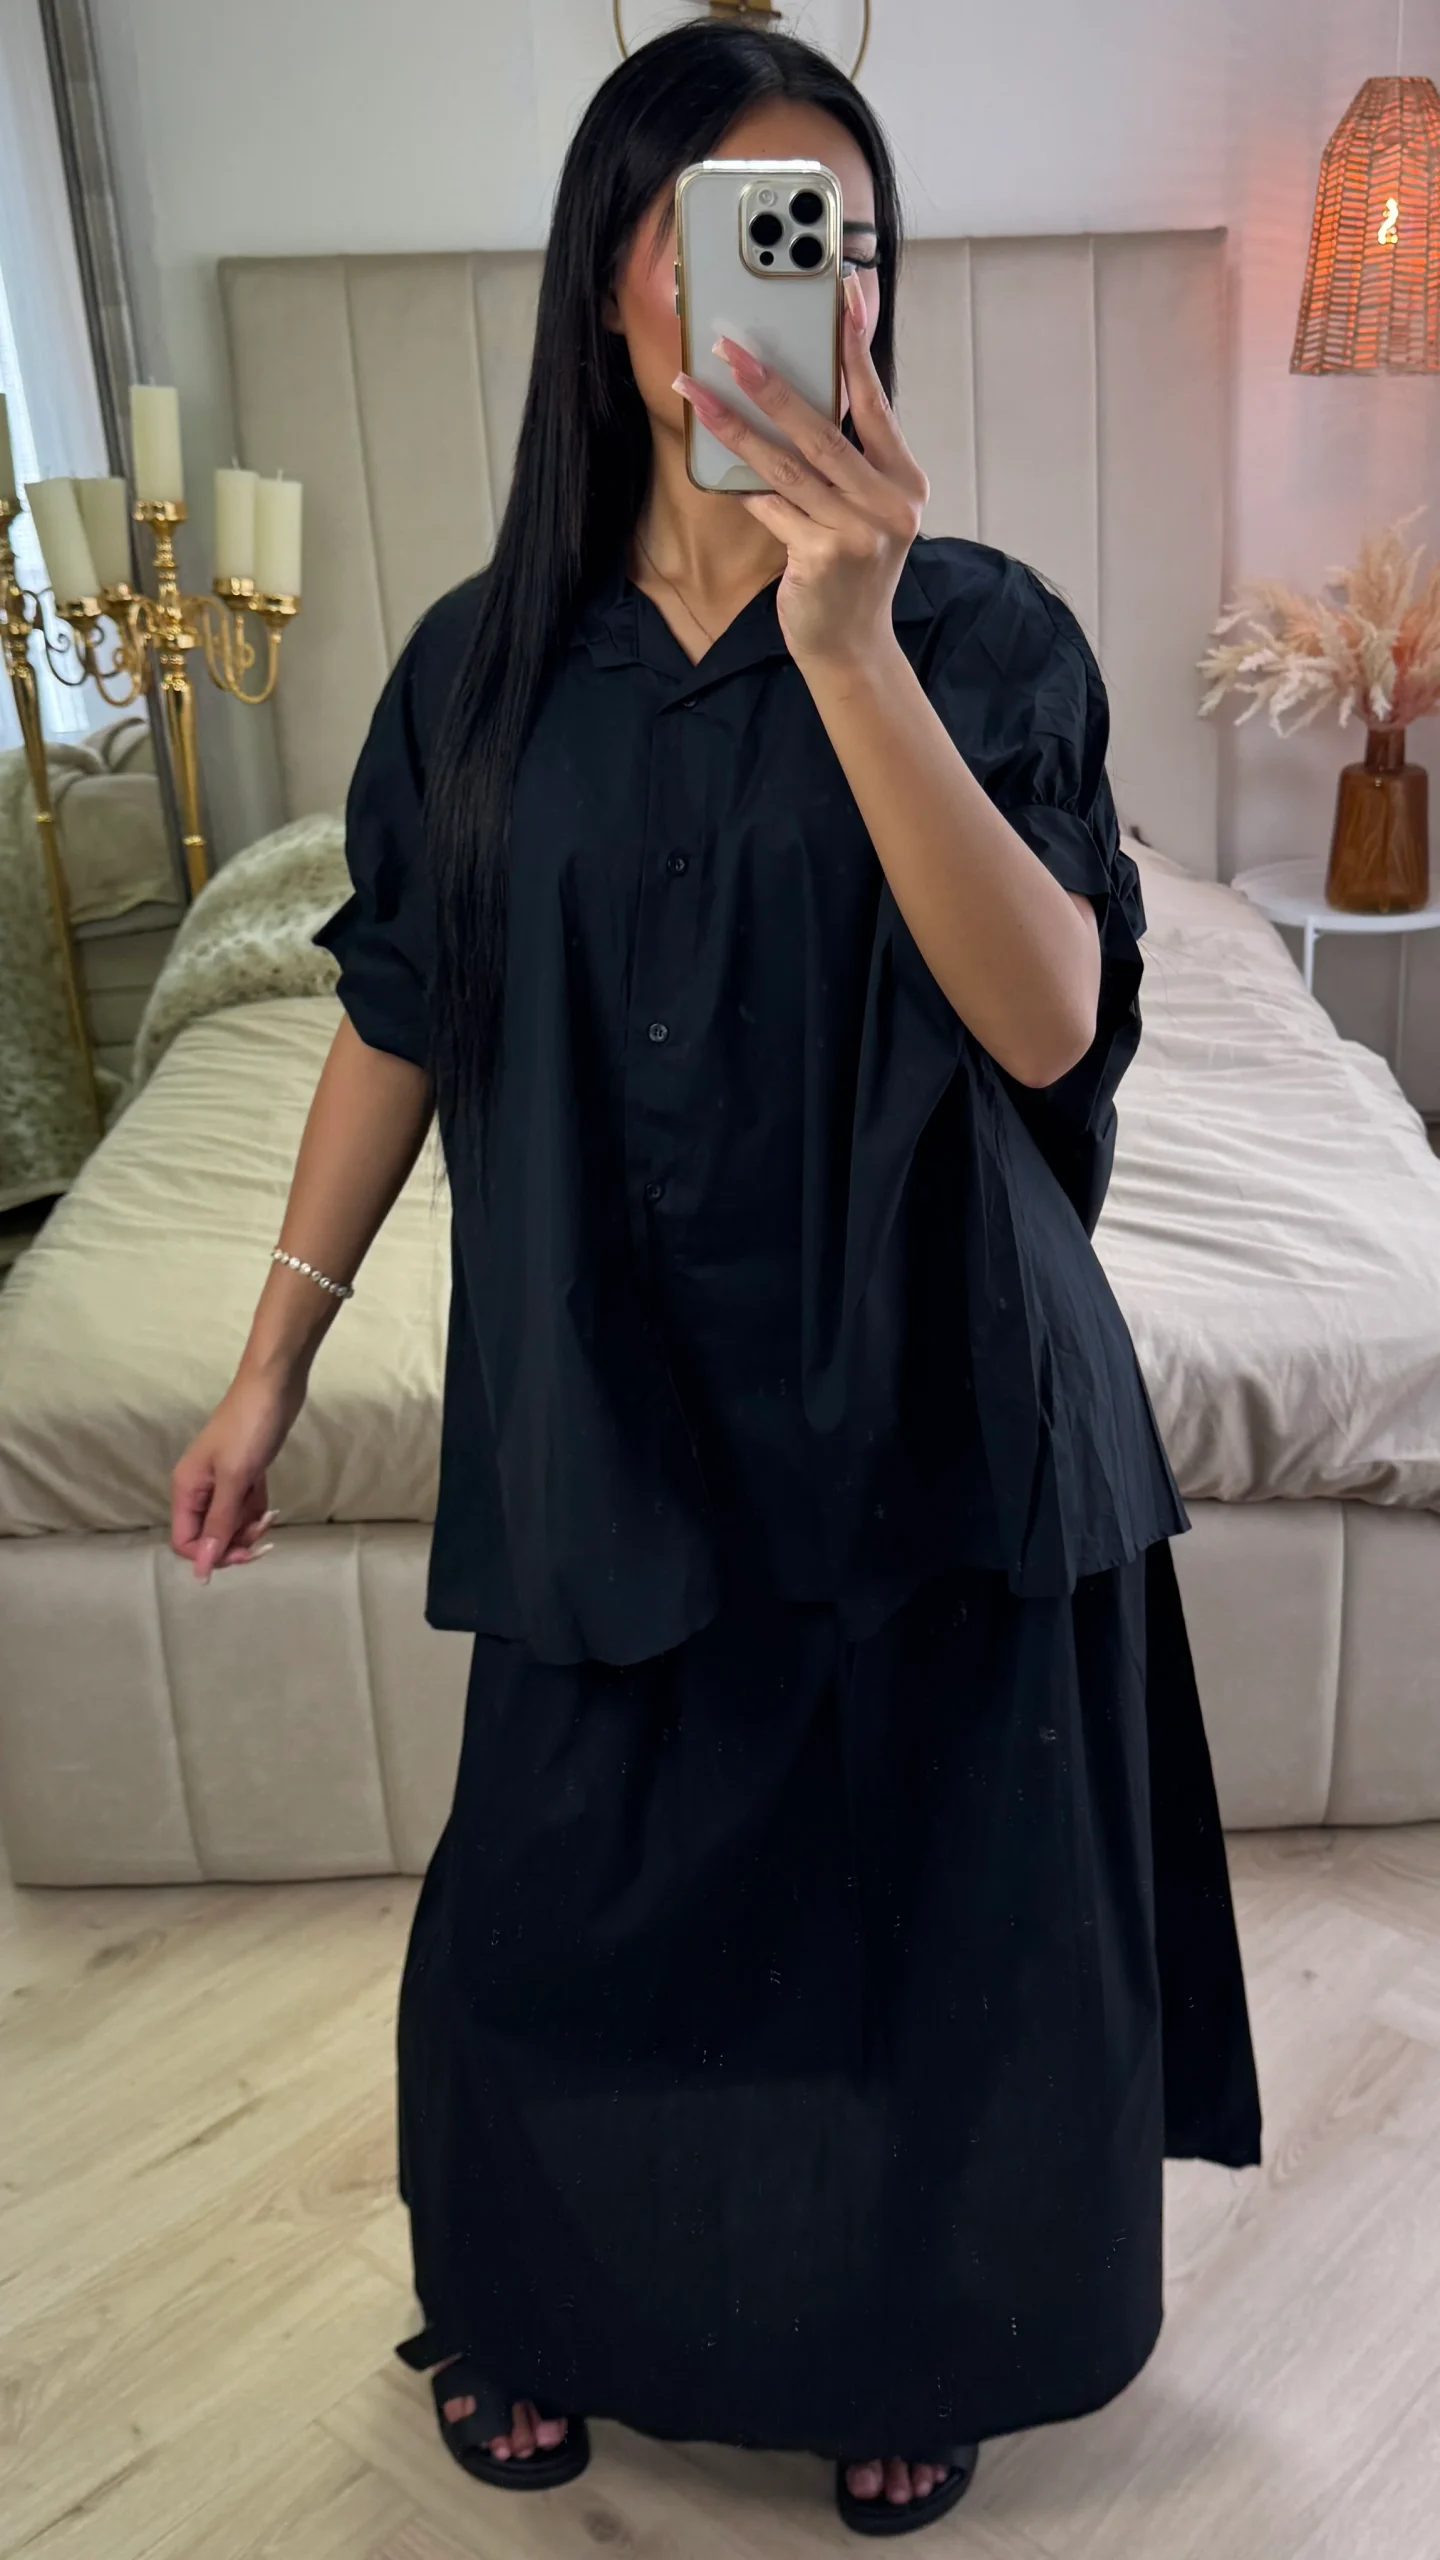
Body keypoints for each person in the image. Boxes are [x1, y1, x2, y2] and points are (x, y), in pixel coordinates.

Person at [170, 18, 1261, 2538]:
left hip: (940, 1395)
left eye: (846, 246)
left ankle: (914, 2335)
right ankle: (551, 2297)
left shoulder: (983, 637)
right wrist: (264, 1360)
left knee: (927, 1924)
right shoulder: (479, 664)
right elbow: (399, 1010)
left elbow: (1053, 1019)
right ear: (613, 281)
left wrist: (847, 641)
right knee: (571, 1902)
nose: (808, 284)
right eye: (747, 233)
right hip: (610, 1393)